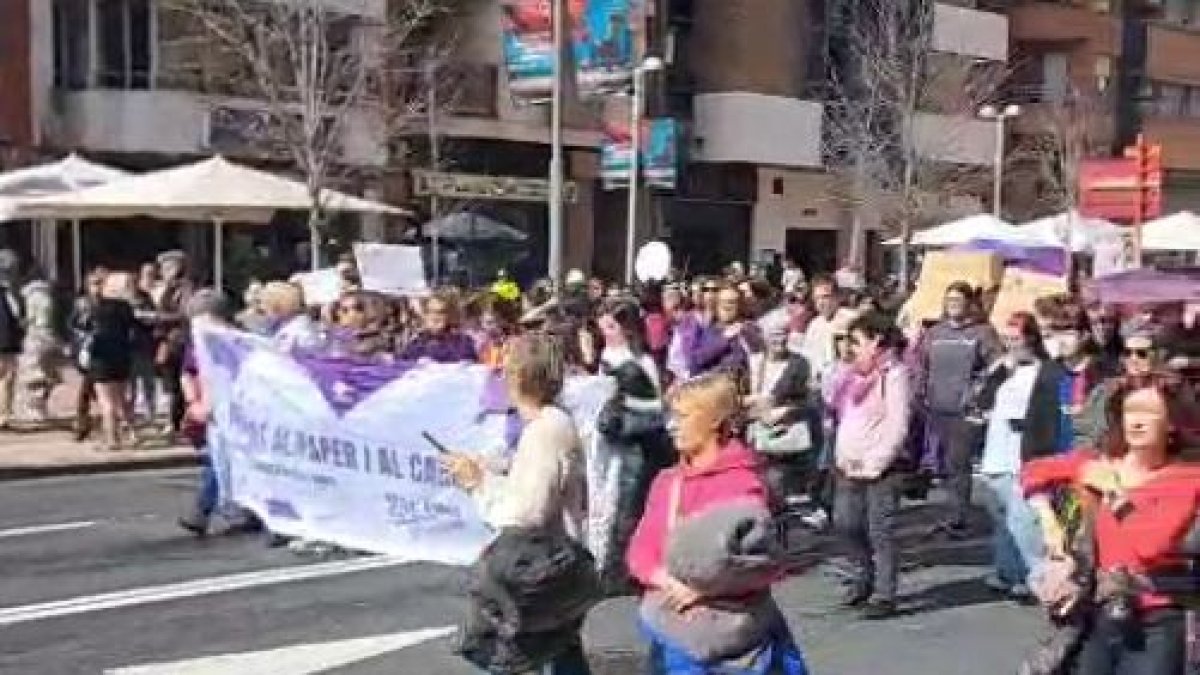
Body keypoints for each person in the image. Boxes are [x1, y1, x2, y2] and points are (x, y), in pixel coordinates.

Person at [626, 372, 807, 673]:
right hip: (675, 631)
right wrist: (666, 581)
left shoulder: (742, 484)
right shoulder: (666, 482)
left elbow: (761, 564)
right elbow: (641, 551)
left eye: (682, 416)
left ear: (713, 420)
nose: (672, 426)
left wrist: (705, 590)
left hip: (737, 636)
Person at [1023, 372, 1200, 675]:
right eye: (1131, 412)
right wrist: (1048, 520)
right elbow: (1034, 471)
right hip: (1098, 613)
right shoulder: (1100, 462)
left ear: (1172, 423)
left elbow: (1151, 546)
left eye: (1149, 413)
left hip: (1157, 618)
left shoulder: (1186, 478)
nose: (1137, 422)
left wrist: (1115, 493)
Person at [442, 334, 591, 674]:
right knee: (559, 649)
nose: (497, 376)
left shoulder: (544, 431)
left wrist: (477, 482)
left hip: (539, 566)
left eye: (503, 369)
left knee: (521, 654)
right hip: (554, 559)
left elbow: (528, 512)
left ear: (519, 377)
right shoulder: (550, 423)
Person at [976, 312, 1065, 601]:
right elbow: (983, 401)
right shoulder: (1005, 369)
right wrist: (1002, 370)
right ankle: (1008, 571)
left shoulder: (1045, 371)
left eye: (1016, 339)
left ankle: (1038, 575)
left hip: (1021, 454)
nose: (1011, 345)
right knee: (1002, 519)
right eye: (1006, 339)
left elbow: (1044, 414)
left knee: (1023, 521)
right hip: (995, 453)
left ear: (1031, 338)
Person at [833, 311, 912, 620]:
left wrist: (879, 460)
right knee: (846, 524)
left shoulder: (894, 375)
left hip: (879, 467)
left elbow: (898, 423)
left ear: (875, 341)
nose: (851, 347)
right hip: (848, 462)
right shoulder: (854, 375)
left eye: (856, 341)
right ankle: (862, 575)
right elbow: (840, 411)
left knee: (881, 530)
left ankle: (884, 592)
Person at [594, 297, 669, 593]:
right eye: (603, 328)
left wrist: (622, 411)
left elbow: (655, 408)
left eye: (611, 327)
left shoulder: (643, 361)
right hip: (612, 441)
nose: (606, 333)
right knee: (608, 502)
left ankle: (625, 571)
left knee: (629, 506)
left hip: (639, 445)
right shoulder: (606, 355)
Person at [920, 281, 1002, 539]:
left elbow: (998, 368)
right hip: (936, 407)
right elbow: (923, 366)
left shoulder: (983, 333)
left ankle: (957, 518)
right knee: (944, 464)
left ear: (969, 303)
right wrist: (921, 392)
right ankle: (951, 511)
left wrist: (980, 394)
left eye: (958, 300)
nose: (953, 304)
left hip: (965, 410)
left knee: (959, 463)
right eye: (949, 300)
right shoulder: (934, 333)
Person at [1078, 329, 1161, 448]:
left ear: (1155, 356)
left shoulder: (1170, 389)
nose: (1133, 359)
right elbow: (1085, 433)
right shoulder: (1107, 389)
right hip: (1115, 458)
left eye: (1141, 353)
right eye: (1128, 353)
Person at [88, 272, 138, 451]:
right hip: (122, 356)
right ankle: (132, 433)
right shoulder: (125, 307)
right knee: (122, 398)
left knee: (106, 401)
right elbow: (133, 327)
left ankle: (112, 439)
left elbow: (86, 327)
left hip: (102, 357)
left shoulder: (97, 308)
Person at [154, 251, 195, 440]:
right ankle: (174, 420)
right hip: (168, 338)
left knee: (178, 382)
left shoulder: (185, 288)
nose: (162, 272)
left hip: (179, 340)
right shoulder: (170, 288)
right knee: (171, 382)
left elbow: (185, 313)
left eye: (166, 267)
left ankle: (177, 422)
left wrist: (157, 317)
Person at [19, 270, 61, 424]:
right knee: (48, 374)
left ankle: (35, 409)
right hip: (50, 336)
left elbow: (30, 318)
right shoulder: (49, 296)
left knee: (34, 375)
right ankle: (42, 407)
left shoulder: (31, 297)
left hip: (35, 336)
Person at [69, 269, 105, 441]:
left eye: (100, 283)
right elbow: (72, 324)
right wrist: (82, 335)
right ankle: (83, 424)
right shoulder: (82, 304)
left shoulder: (111, 303)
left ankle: (93, 423)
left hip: (105, 352)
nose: (98, 288)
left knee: (97, 390)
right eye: (94, 284)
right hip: (88, 351)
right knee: (88, 389)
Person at [400, 291, 478, 363]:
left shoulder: (463, 343)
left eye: (440, 312)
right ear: (425, 315)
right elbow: (401, 364)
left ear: (450, 316)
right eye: (429, 312)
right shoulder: (416, 343)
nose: (434, 317)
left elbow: (466, 365)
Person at [260, 281, 322, 353]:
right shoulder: (289, 323)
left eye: (266, 306)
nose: (263, 309)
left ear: (277, 308)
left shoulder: (300, 328)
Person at [0, 249, 24, 430]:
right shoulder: (9, 293)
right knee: (6, 378)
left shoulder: (13, 293)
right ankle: (3, 414)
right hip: (5, 341)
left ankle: (4, 414)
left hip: (9, 341)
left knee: (7, 379)